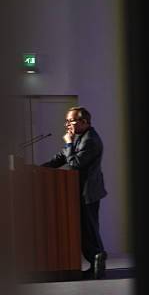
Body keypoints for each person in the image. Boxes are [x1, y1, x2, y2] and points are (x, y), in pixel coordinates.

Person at [43, 106, 107, 279]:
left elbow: (74, 164)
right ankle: (95, 264)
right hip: (79, 191)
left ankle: (98, 265)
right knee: (86, 229)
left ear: (84, 122)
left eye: (70, 121)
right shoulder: (79, 137)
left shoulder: (90, 140)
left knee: (90, 229)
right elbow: (60, 158)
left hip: (89, 191)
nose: (67, 125)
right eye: (67, 121)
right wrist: (37, 169)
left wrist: (69, 143)